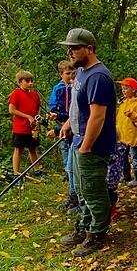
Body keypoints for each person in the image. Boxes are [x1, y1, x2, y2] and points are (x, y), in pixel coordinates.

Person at [57, 28, 118, 258]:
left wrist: (86, 146)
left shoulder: (98, 77)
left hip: (92, 145)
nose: (70, 52)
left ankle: (98, 233)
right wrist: (69, 124)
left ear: (89, 49)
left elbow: (98, 116)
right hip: (79, 139)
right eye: (69, 47)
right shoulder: (81, 72)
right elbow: (79, 107)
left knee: (93, 190)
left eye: (74, 47)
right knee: (81, 189)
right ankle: (84, 227)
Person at [48, 61, 77, 207]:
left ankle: (75, 194)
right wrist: (55, 115)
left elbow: (76, 109)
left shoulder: (76, 87)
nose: (70, 76)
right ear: (61, 74)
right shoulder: (58, 88)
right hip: (61, 121)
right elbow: (52, 105)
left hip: (72, 123)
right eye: (67, 73)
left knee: (73, 155)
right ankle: (67, 171)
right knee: (65, 148)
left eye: (72, 73)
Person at [8, 70, 42, 181]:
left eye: (32, 80)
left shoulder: (35, 95)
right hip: (20, 128)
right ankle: (16, 173)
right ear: (20, 82)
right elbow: (12, 110)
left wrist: (37, 120)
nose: (30, 83)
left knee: (33, 149)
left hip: (32, 128)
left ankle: (37, 170)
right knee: (19, 149)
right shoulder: (16, 93)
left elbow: (38, 110)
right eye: (27, 81)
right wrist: (27, 116)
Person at [115, 78, 137, 188]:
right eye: (122, 89)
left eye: (125, 88)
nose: (123, 91)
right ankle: (126, 175)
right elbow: (120, 119)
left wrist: (132, 115)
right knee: (123, 156)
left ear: (133, 89)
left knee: (135, 156)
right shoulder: (124, 102)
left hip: (133, 136)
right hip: (123, 136)